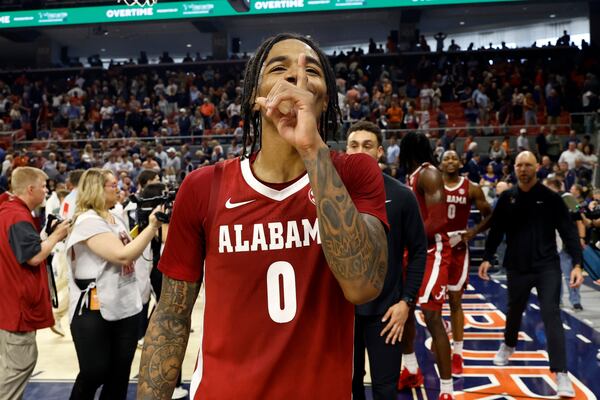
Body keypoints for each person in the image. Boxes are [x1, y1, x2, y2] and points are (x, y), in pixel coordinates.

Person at [137, 33, 389, 399]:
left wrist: (311, 148)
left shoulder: (354, 173)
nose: (296, 76)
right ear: (255, 98)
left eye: (311, 70)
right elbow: (172, 318)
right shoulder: (204, 186)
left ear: (325, 97)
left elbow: (363, 284)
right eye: (279, 68)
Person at [478, 151, 584, 398]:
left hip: (547, 266)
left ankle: (561, 373)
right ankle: (509, 344)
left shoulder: (551, 198)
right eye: (519, 165)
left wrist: (578, 264)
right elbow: (496, 230)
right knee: (514, 310)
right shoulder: (507, 198)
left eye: (528, 165)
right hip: (517, 266)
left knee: (551, 314)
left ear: (537, 167)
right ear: (514, 168)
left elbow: (568, 231)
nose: (523, 169)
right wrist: (487, 257)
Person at [65, 168, 163, 400]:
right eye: (112, 185)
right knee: (94, 372)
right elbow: (122, 256)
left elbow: (132, 252)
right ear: (97, 189)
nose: (119, 189)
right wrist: (152, 227)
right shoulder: (88, 221)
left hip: (124, 303)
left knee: (119, 375)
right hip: (94, 309)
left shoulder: (114, 218)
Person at [346, 121, 427, 400]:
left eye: (367, 146)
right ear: (345, 151)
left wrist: (406, 302)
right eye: (353, 145)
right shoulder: (331, 195)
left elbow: (418, 251)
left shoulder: (402, 196)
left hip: (387, 312)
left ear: (379, 152)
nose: (360, 151)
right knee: (347, 386)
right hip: (342, 313)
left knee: (385, 390)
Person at [0, 167, 70, 400]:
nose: (46, 190)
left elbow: (21, 249)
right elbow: (34, 256)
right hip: (16, 309)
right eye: (43, 186)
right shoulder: (17, 216)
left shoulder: (7, 210)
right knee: (17, 369)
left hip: (8, 302)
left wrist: (43, 237)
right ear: (30, 189)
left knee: (9, 368)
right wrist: (55, 236)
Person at [397, 132, 454, 399]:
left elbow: (439, 220)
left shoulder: (429, 174)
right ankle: (410, 369)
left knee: (432, 317)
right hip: (416, 249)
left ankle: (447, 389)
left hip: (434, 251)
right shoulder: (413, 175)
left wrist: (410, 237)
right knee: (404, 310)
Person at [440, 150, 492, 376]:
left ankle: (458, 353)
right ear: (440, 163)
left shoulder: (471, 187)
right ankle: (441, 339)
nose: (451, 161)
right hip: (436, 246)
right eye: (446, 158)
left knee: (454, 301)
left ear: (460, 162)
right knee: (431, 303)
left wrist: (474, 231)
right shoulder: (432, 184)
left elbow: (489, 214)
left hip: (459, 248)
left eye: (454, 158)